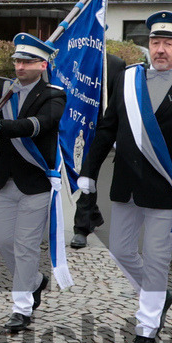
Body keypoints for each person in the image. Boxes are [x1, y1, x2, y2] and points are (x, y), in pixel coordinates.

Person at [78, 11, 172, 343]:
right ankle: (159, 295)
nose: (160, 49)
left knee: (156, 260)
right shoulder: (128, 79)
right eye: (155, 42)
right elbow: (107, 128)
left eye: (168, 43)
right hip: (126, 183)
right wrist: (88, 171)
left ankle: (145, 329)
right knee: (122, 251)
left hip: (165, 189)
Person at [0, 34, 66, 332]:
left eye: (26, 61)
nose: (20, 66)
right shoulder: (4, 89)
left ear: (42, 64)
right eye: (17, 60)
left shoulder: (54, 94)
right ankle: (35, 282)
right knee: (2, 242)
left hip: (36, 180)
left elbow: (36, 126)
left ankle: (22, 308)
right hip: (5, 178)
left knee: (25, 246)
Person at [70, 53, 125, 249]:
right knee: (73, 172)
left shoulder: (116, 64)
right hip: (73, 123)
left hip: (101, 128)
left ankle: (81, 228)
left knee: (88, 171)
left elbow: (119, 99)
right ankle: (93, 214)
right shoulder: (72, 56)